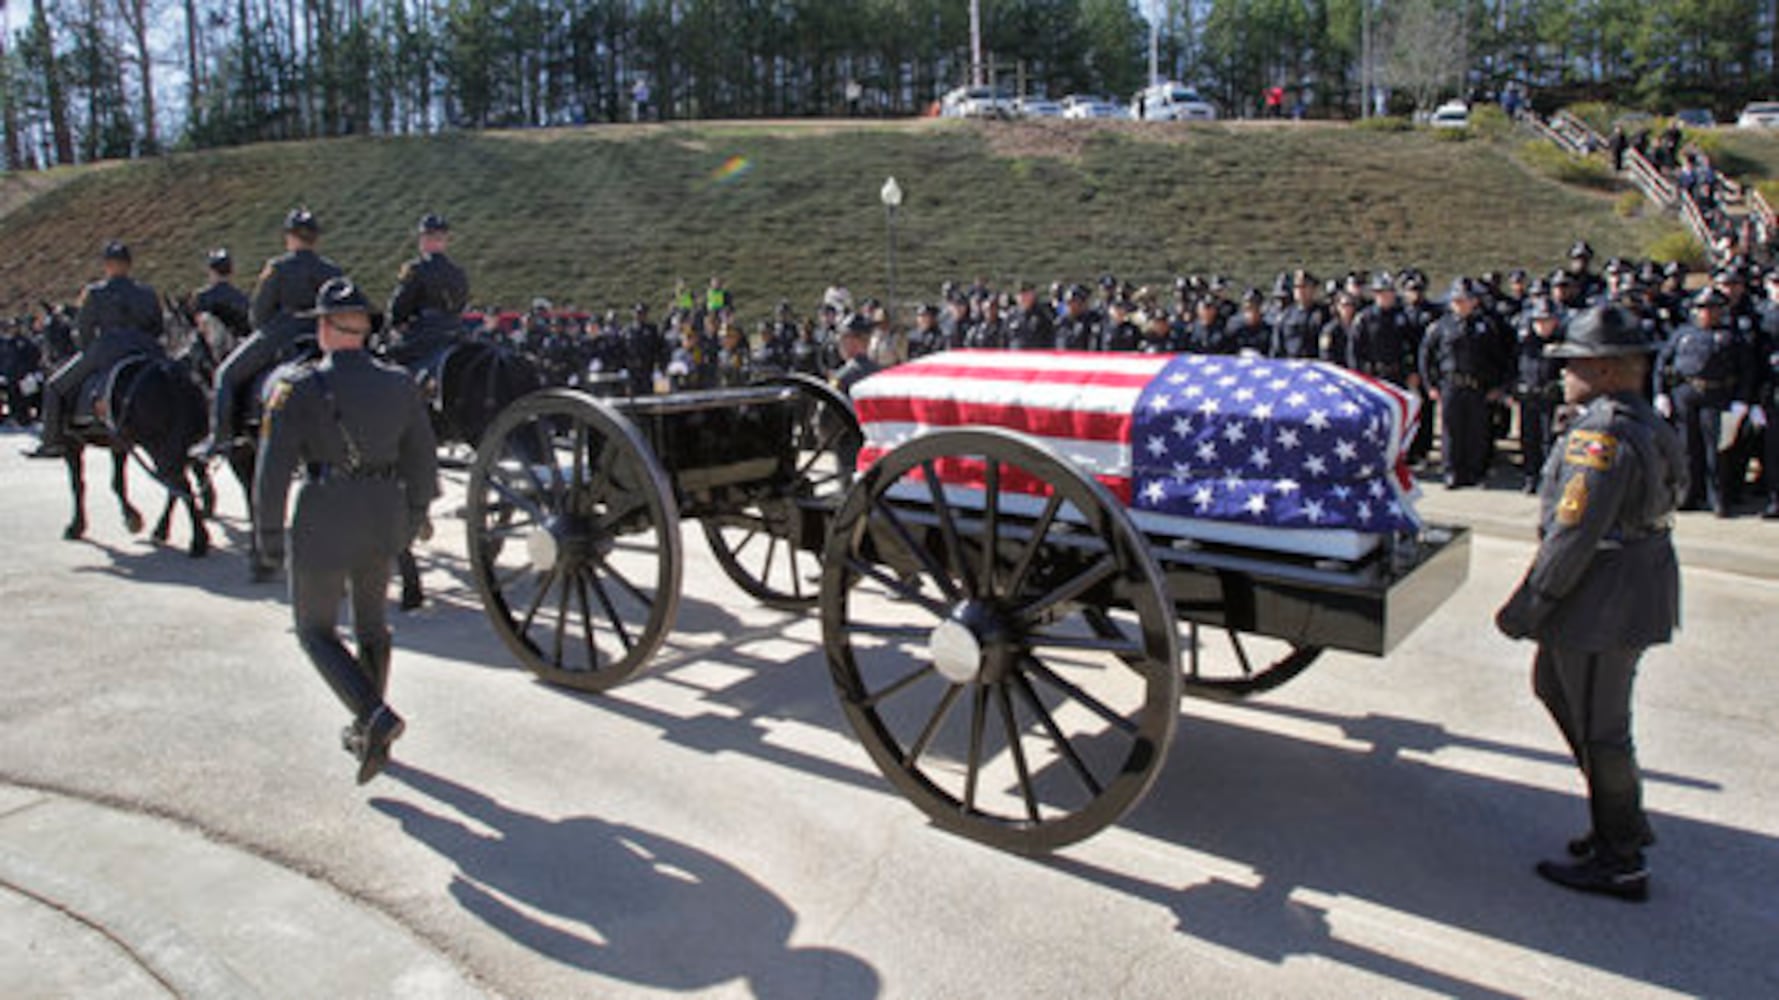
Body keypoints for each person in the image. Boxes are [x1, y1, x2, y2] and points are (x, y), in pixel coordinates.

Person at [1496, 304, 1684, 903]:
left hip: (1603, 597)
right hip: (1627, 582)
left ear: (1604, 370)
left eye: (1573, 364)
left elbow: (1575, 532)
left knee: (1605, 730)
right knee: (1553, 685)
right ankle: (1617, 817)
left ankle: (1621, 857)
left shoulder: (1600, 434)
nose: (1563, 375)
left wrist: (1530, 604)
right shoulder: (1644, 421)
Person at [253, 277, 439, 784]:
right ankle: (368, 732)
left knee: (314, 630)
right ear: (361, 329)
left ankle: (374, 716)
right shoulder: (400, 382)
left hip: (324, 518)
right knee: (372, 627)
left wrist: (267, 539)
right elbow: (423, 461)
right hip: (382, 515)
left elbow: (271, 474)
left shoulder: (298, 389)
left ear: (326, 328)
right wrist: (413, 515)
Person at [201, 209, 342, 455]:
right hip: (323, 335)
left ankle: (221, 437)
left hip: (281, 334)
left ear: (289, 237)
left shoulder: (277, 268)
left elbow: (258, 315)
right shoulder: (332, 270)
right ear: (315, 239)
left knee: (225, 374)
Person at [29, 241, 165, 458]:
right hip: (146, 351)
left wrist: (89, 351)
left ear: (108, 265)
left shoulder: (95, 293)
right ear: (129, 265)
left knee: (55, 386)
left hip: (107, 350)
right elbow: (158, 327)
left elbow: (83, 332)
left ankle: (51, 441)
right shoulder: (147, 293)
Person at [1655, 288, 1755, 516]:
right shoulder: (1683, 334)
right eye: (1702, 309)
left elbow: (1747, 370)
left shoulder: (1732, 336)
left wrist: (1742, 399)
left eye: (1713, 308)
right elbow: (1663, 363)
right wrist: (1661, 393)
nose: (1707, 313)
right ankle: (1689, 495)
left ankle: (1718, 498)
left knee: (1716, 450)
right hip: (1686, 392)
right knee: (1687, 447)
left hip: (1717, 395)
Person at [1419, 277, 1511, 488]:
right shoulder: (1441, 326)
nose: (1460, 304)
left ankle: (1474, 472)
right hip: (1450, 384)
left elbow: (1497, 358)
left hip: (1478, 386)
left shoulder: (1485, 327)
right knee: (1452, 431)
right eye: (1457, 300)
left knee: (1476, 431)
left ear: (1474, 302)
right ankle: (1452, 472)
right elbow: (1426, 356)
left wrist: (1498, 386)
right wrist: (1430, 385)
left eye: (1465, 300)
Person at [386, 213, 469, 367]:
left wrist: (396, 323)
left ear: (424, 239)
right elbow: (460, 305)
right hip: (454, 333)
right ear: (444, 241)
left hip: (421, 336)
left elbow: (399, 307)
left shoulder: (416, 269)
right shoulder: (459, 272)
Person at [1515, 298, 1568, 492]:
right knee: (1529, 439)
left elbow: (1569, 372)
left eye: (1547, 321)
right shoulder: (1525, 343)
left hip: (1550, 400)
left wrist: (1559, 388)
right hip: (1528, 398)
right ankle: (1531, 476)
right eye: (1538, 321)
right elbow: (1513, 367)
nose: (1542, 325)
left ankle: (1549, 479)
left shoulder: (1561, 344)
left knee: (1549, 440)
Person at [193, 248, 253, 342]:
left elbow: (201, 328)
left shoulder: (202, 297)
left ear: (212, 271)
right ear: (231, 271)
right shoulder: (243, 297)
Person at [832, 314, 880, 397]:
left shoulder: (842, 377)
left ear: (852, 341)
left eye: (842, 338)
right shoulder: (880, 374)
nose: (839, 343)